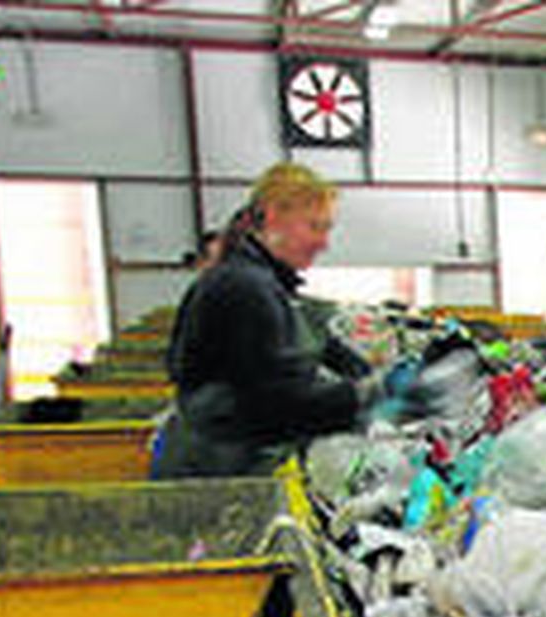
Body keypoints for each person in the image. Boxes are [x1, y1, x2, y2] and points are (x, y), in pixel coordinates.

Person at [154, 163, 385, 478]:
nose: (323, 243)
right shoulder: (245, 287)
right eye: (315, 227)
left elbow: (309, 348)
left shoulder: (261, 281)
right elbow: (278, 403)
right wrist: (365, 396)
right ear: (274, 216)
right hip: (219, 473)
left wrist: (362, 375)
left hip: (222, 458)